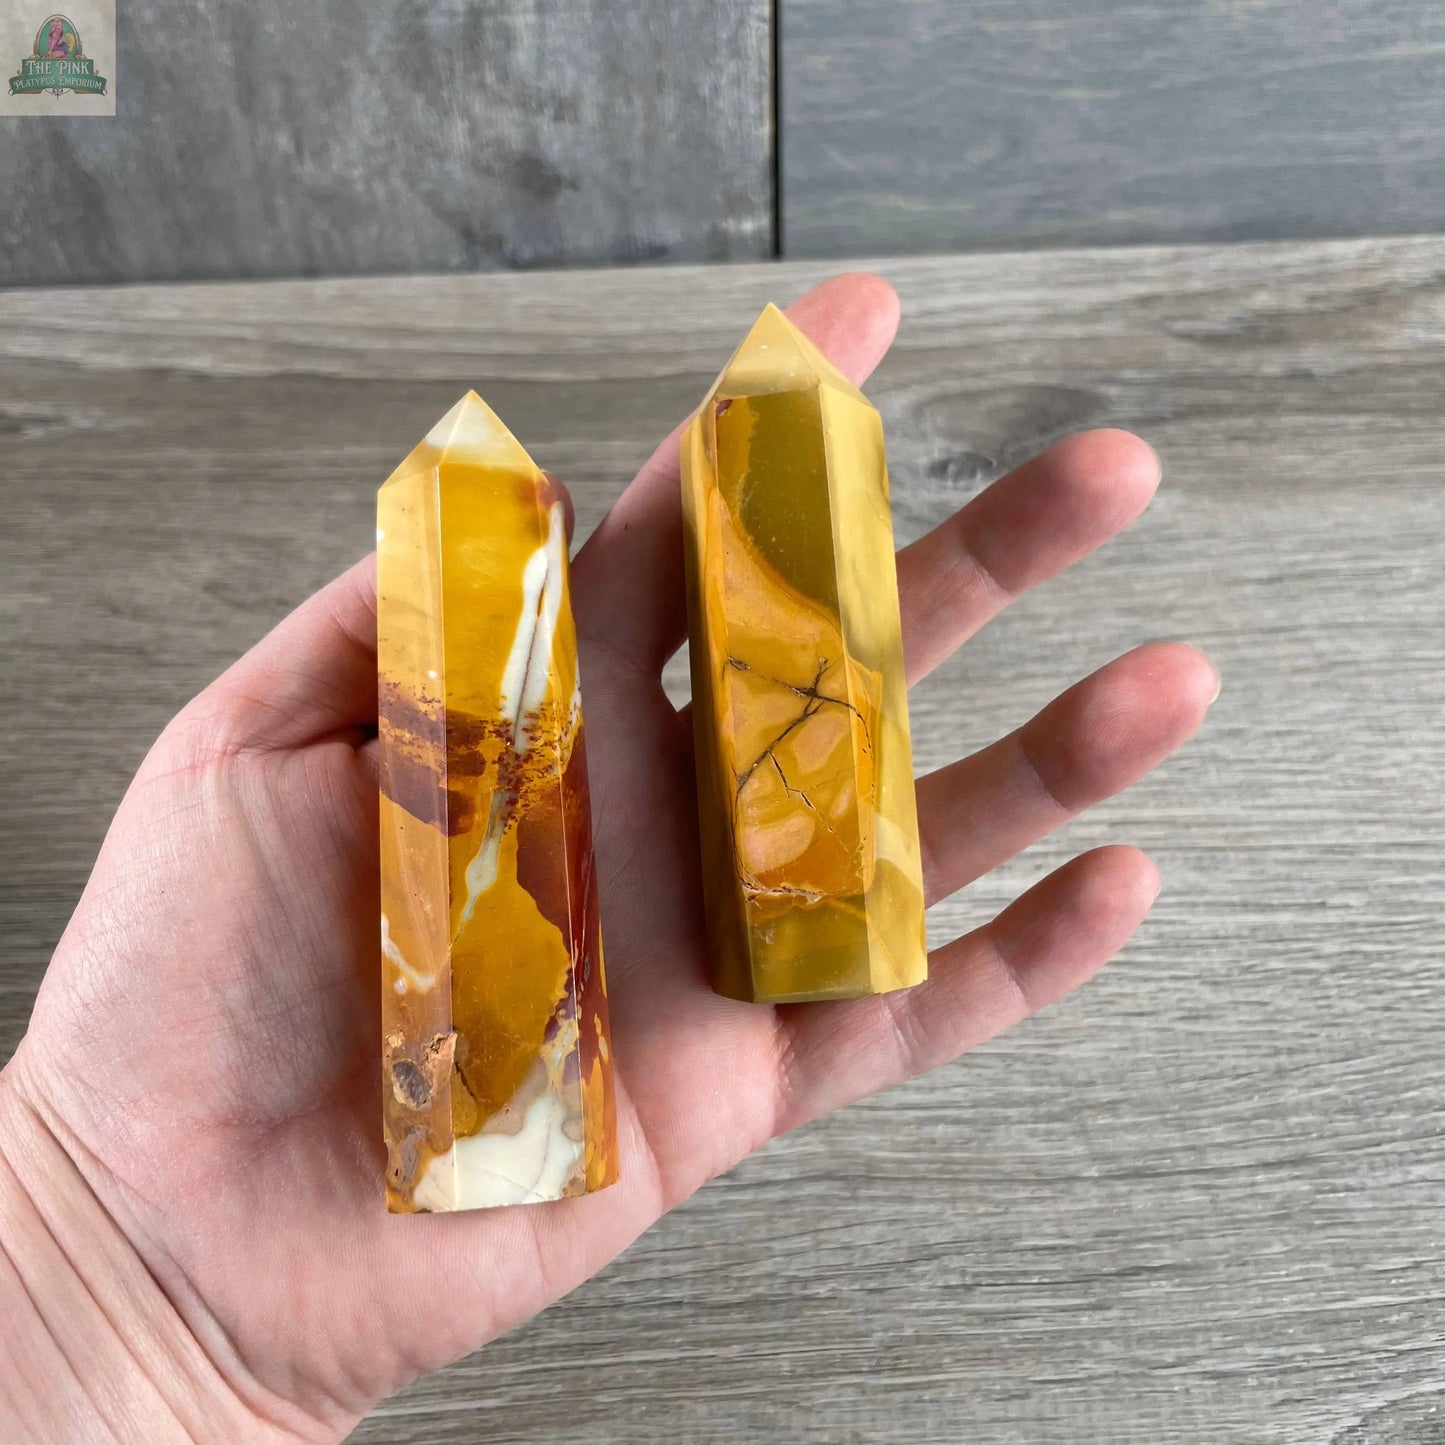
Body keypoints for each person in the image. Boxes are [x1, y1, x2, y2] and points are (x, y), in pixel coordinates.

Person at [0, 275, 1216, 1440]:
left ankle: (687, 1000)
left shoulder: (532, 493)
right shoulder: (470, 521)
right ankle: (538, 1087)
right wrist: (91, 1262)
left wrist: (89, 1278)